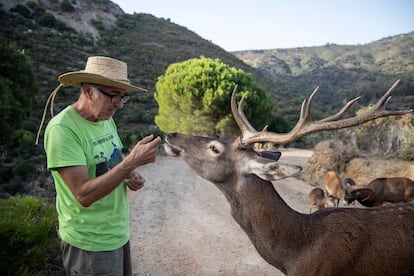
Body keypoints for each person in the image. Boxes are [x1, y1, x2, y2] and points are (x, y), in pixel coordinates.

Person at [42, 56, 161, 275]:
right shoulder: (63, 130)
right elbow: (83, 195)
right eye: (113, 95)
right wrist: (132, 161)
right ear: (88, 91)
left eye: (123, 96)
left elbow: (113, 160)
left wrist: (130, 174)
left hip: (117, 233)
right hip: (89, 243)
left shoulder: (106, 118)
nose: (120, 104)